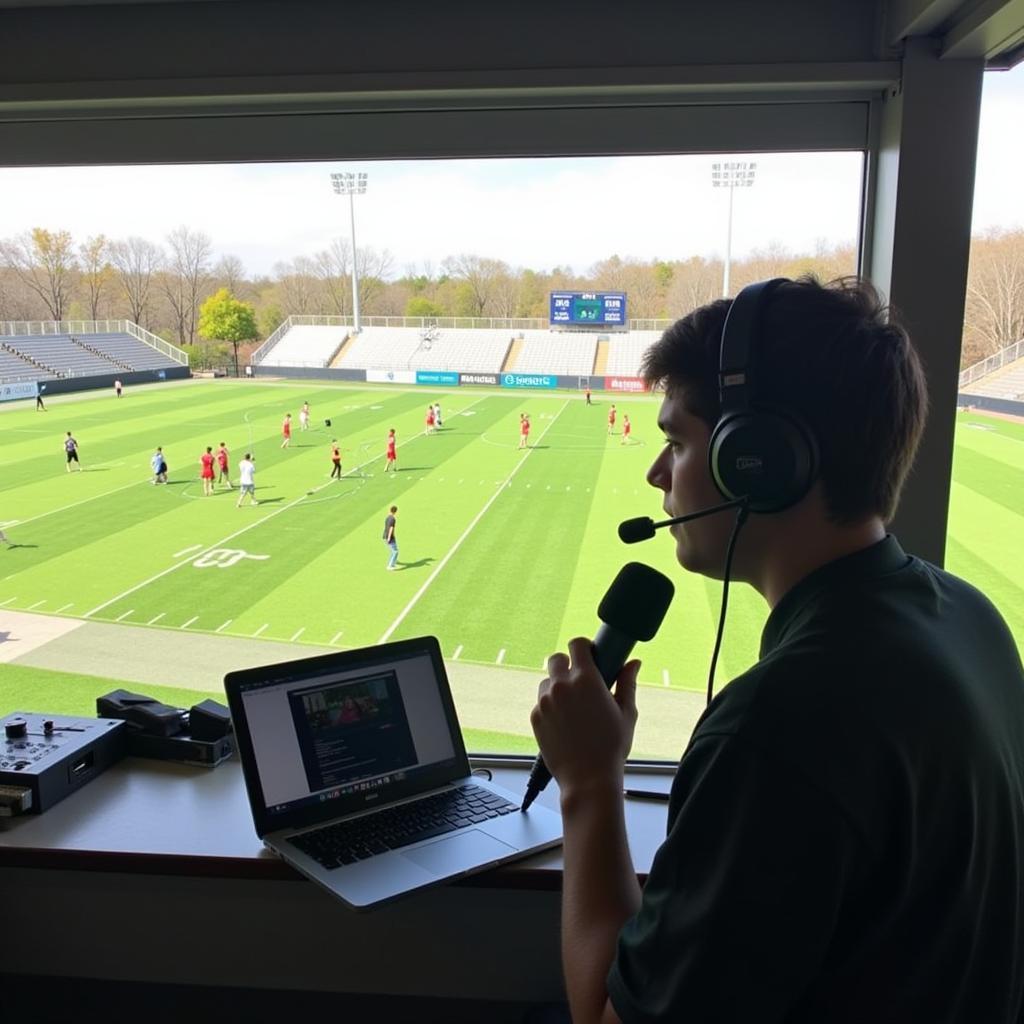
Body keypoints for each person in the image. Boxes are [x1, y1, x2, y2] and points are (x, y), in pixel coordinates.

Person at [528, 276, 1024, 1024]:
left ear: (756, 460)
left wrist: (589, 781)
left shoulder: (778, 725)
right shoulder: (971, 617)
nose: (657, 474)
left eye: (677, 441)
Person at [383, 505, 398, 570]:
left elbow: (386, 527)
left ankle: (392, 564)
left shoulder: (387, 518)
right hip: (390, 537)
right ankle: (390, 566)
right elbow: (391, 528)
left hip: (386, 536)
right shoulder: (393, 519)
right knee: (395, 552)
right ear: (395, 512)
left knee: (393, 551)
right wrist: (389, 537)